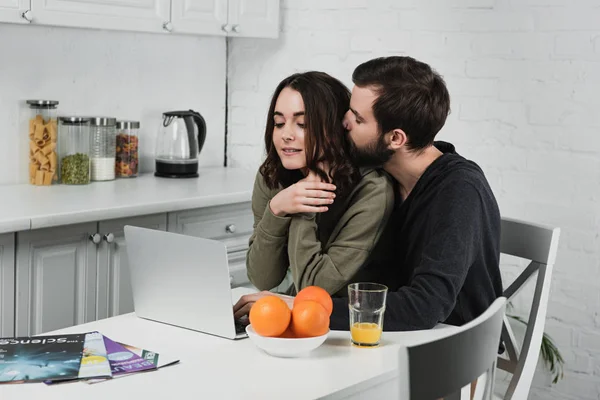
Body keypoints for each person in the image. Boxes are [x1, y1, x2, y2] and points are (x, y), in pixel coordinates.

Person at [326, 55, 504, 331]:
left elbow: (425, 306)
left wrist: (305, 309)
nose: (344, 122)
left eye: (358, 119)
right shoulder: (380, 179)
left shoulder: (460, 190)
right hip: (392, 342)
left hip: (455, 352)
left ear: (395, 138)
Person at [233, 71, 395, 320]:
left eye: (302, 124)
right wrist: (276, 210)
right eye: (279, 123)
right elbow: (262, 277)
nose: (286, 134)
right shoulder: (272, 176)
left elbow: (315, 289)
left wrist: (304, 206)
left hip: (346, 326)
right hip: (294, 316)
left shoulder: (372, 190)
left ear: (334, 128)